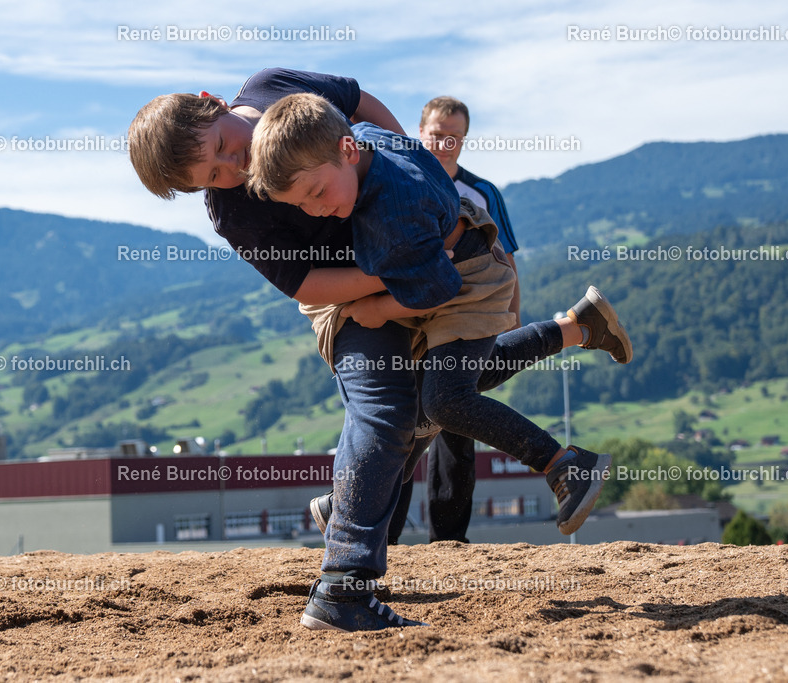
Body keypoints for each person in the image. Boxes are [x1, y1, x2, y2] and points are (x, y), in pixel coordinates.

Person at [129, 70, 628, 632]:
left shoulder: (273, 85)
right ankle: (344, 585)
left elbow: (361, 103)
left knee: (446, 389)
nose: (233, 169)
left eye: (222, 147)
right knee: (390, 405)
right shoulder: (234, 211)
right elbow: (306, 286)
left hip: (417, 246)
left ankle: (355, 500)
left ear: (212, 102)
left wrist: (413, 177)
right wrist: (385, 288)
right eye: (212, 177)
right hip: (352, 291)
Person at [389, 96, 522, 544]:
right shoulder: (398, 178)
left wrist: (510, 315)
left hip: (466, 319)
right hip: (408, 322)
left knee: (456, 426)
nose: (445, 143)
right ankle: (383, 534)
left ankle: (449, 540)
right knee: (399, 422)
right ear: (419, 132)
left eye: (455, 137)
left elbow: (506, 260)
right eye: (437, 134)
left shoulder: (483, 192)